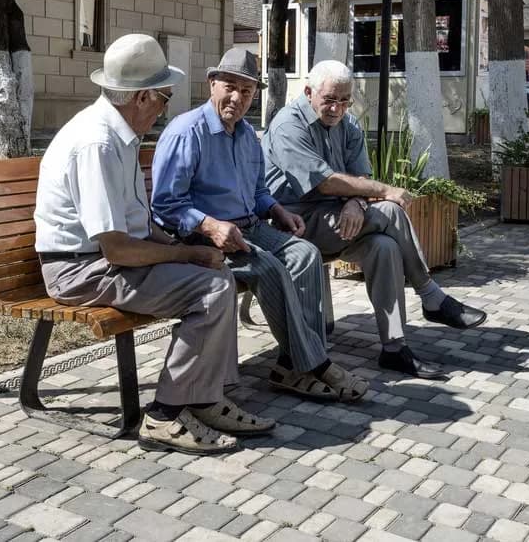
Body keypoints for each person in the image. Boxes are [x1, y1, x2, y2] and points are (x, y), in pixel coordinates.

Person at [35, 34, 274, 456]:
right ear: (142, 97)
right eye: (164, 97)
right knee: (210, 289)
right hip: (79, 271)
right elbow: (117, 249)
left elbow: (139, 224)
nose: (164, 108)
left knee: (215, 273)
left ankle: (204, 398)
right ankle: (164, 414)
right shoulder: (98, 144)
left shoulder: (118, 134)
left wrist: (186, 249)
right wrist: (186, 252)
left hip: (102, 260)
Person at [152, 48, 369, 403]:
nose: (237, 98)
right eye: (230, 87)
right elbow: (165, 204)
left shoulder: (245, 135)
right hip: (202, 238)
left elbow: (257, 192)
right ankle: (314, 364)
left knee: (306, 255)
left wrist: (278, 210)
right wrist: (210, 226)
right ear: (212, 83)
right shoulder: (187, 132)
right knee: (268, 269)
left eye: (247, 90)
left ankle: (292, 364)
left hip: (250, 227)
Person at [262, 60, 488, 380]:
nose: (338, 109)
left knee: (384, 247)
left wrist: (356, 202)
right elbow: (324, 183)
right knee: (391, 210)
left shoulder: (348, 123)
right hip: (293, 224)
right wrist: (382, 191)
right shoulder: (289, 125)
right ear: (309, 92)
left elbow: (360, 177)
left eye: (345, 100)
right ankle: (430, 296)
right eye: (330, 100)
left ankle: (394, 348)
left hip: (337, 219)